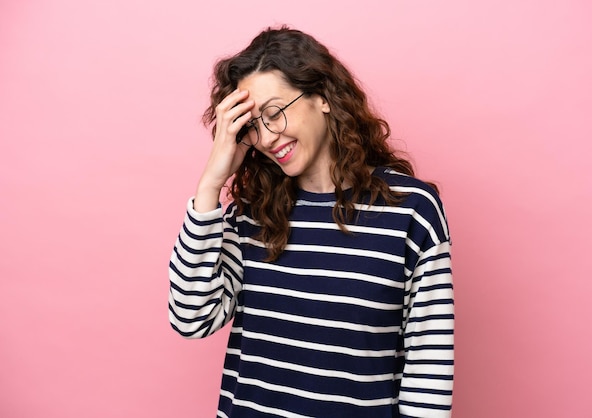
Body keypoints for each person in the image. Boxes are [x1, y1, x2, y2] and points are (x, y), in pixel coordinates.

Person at [169, 26, 454, 418]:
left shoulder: (412, 211)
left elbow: (428, 369)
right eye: (252, 125)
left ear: (322, 97)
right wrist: (210, 185)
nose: (266, 138)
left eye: (274, 113)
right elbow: (190, 317)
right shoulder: (251, 214)